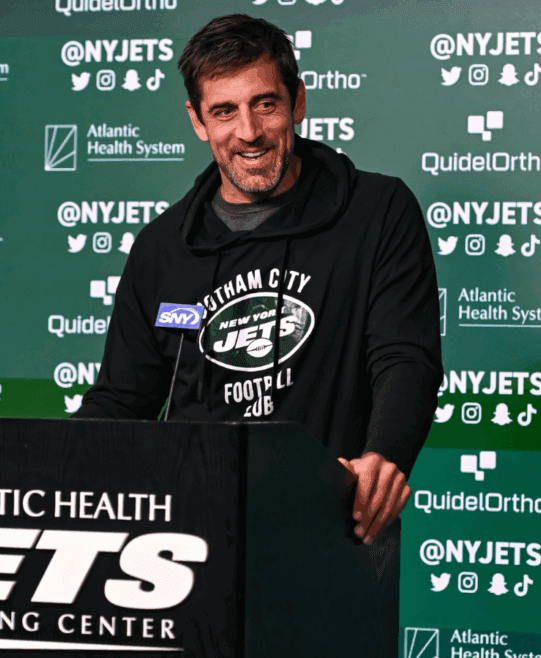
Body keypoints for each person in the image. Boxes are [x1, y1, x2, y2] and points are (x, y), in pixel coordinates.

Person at [73, 14, 442, 548]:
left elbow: (406, 358)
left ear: (297, 102)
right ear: (198, 121)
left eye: (264, 104)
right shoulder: (161, 247)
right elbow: (120, 402)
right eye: (224, 111)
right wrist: (42, 471)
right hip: (187, 533)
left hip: (331, 528)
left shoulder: (377, 211)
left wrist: (383, 459)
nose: (248, 132)